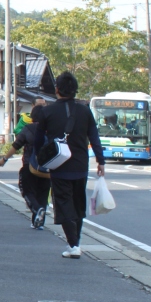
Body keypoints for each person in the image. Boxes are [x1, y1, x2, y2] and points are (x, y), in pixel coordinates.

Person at [31, 70, 105, 258]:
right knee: (78, 204)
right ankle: (76, 242)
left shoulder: (47, 111)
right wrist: (100, 161)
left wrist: (40, 157)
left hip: (58, 165)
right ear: (75, 90)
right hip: (80, 165)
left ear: (57, 89)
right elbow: (94, 137)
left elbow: (38, 139)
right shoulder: (85, 111)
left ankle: (73, 244)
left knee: (63, 204)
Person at [0, 106, 52, 230]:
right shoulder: (50, 129)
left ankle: (37, 209)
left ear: (32, 117)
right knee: (43, 194)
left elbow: (16, 145)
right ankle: (38, 223)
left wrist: (4, 159)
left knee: (27, 191)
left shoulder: (28, 128)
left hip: (30, 166)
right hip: (46, 168)